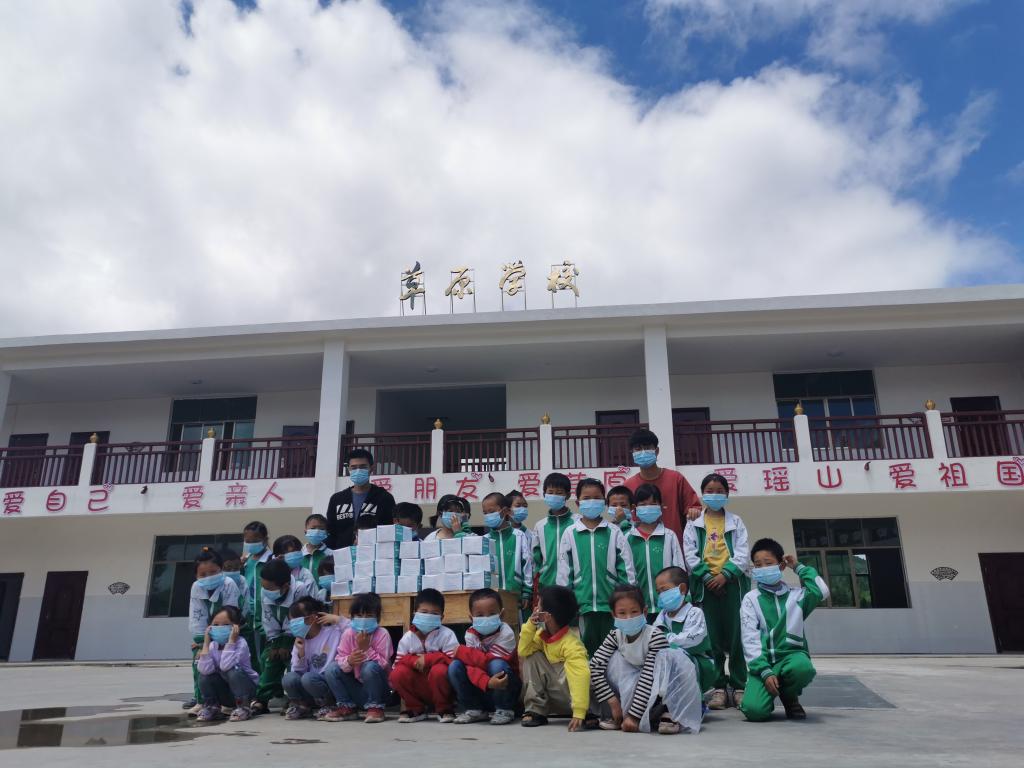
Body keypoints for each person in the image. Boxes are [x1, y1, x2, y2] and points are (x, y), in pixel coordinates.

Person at [589, 584, 703, 735]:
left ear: (644, 611)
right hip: (636, 687)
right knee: (611, 660)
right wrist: (613, 702)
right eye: (622, 613)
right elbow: (595, 667)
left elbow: (648, 677)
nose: (628, 618)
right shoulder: (615, 636)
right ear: (613, 615)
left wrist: (634, 717)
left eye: (634, 612)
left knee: (667, 661)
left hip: (658, 687)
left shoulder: (654, 636)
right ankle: (618, 714)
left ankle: (668, 712)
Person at [739, 539, 829, 722]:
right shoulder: (751, 599)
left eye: (768, 563)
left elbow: (821, 590)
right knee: (754, 711)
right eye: (758, 565)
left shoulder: (797, 596)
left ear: (781, 566)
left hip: (790, 658)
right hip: (764, 661)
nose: (763, 568)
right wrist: (764, 671)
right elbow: (749, 638)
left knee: (803, 668)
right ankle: (765, 695)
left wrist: (798, 567)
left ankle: (789, 696)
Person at [683, 473, 750, 710]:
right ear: (702, 494)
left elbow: (742, 552)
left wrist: (725, 575)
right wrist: (708, 576)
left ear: (727, 494)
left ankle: (739, 686)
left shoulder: (736, 522)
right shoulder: (693, 524)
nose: (714, 494)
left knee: (737, 637)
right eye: (709, 491)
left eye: (719, 491)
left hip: (733, 586)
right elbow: (690, 553)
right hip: (705, 588)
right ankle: (718, 687)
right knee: (711, 639)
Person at [556, 477, 635, 656]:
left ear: (604, 502)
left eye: (597, 498)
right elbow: (564, 572)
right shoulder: (570, 533)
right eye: (586, 498)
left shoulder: (614, 532)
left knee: (614, 652)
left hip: (611, 606)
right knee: (587, 652)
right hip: (583, 606)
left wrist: (627, 598)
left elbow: (626, 568)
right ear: (578, 503)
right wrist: (566, 604)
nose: (591, 502)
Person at [519, 585, 590, 730]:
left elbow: (580, 675)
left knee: (582, 669)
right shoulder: (541, 636)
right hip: (554, 698)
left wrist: (579, 711)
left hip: (572, 700)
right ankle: (536, 710)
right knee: (531, 657)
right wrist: (530, 625)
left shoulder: (572, 643)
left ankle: (588, 714)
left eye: (538, 606)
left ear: (546, 616)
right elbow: (523, 650)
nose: (535, 609)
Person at [447, 588, 521, 725]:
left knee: (497, 665)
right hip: (483, 687)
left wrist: (463, 652)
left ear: (502, 615)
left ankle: (504, 709)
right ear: (471, 618)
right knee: (455, 666)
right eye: (480, 615)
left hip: (505, 688)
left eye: (492, 614)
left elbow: (488, 661)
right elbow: (471, 665)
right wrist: (486, 682)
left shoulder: (506, 633)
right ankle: (474, 709)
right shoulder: (470, 634)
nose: (486, 618)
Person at [251, 557, 315, 714]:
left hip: (298, 635)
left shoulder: (299, 589)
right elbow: (267, 618)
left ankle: (297, 698)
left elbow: (298, 618)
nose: (265, 590)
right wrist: (274, 643)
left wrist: (286, 643)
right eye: (263, 586)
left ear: (285, 586)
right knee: (269, 658)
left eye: (269, 587)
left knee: (291, 660)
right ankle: (262, 698)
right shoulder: (265, 591)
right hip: (276, 636)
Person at [389, 588, 458, 722]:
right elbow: (397, 663)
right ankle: (415, 709)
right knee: (397, 673)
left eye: (434, 613)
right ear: (415, 614)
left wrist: (429, 658)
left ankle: (444, 709)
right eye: (424, 612)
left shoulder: (447, 635)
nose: (428, 616)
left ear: (442, 617)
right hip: (418, 685)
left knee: (440, 670)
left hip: (441, 686)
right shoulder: (408, 637)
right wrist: (414, 660)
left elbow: (453, 661)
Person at [325, 592, 395, 723]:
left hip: (380, 690)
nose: (363, 620)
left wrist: (366, 649)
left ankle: (376, 707)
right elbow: (340, 658)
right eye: (359, 615)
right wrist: (349, 661)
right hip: (358, 690)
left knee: (369, 667)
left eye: (369, 616)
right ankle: (347, 707)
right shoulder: (348, 634)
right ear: (352, 618)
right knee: (332, 669)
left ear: (377, 618)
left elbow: (383, 664)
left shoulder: (382, 634)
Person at [187, 547, 240, 715]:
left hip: (230, 631)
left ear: (221, 569)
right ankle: (202, 701)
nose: (208, 577)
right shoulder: (196, 587)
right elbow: (197, 616)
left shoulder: (228, 584)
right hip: (207, 634)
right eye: (202, 574)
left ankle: (231, 701)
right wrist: (201, 643)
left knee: (229, 665)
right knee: (199, 662)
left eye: (213, 572)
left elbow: (230, 614)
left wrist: (221, 638)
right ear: (196, 575)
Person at [623, 428, 702, 541]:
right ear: (632, 453)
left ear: (657, 451)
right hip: (640, 546)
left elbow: (694, 507)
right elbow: (623, 518)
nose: (643, 452)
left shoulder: (676, 479)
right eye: (638, 449)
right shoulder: (628, 486)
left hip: (674, 546)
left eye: (647, 447)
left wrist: (693, 511)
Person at [281, 596, 348, 720]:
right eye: (291, 621)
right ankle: (302, 706)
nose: (292, 624)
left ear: (312, 618)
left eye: (296, 620)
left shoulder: (333, 632)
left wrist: (338, 619)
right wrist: (301, 653)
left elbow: (354, 631)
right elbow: (297, 671)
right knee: (288, 678)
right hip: (310, 686)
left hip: (327, 684)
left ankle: (329, 705)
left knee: (308, 678)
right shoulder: (300, 639)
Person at [653, 566, 717, 697]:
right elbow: (652, 636)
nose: (661, 596)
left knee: (679, 658)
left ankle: (696, 700)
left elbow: (690, 639)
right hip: (669, 662)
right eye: (658, 592)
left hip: (697, 662)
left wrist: (664, 638)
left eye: (664, 590)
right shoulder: (662, 615)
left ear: (682, 589)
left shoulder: (694, 613)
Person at [625, 484, 685, 619]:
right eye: (643, 504)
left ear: (661, 506)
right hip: (639, 608)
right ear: (634, 508)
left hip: (668, 606)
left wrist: (682, 598)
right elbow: (626, 572)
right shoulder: (628, 538)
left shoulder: (669, 536)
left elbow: (679, 568)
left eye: (653, 504)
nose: (648, 508)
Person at [195, 605, 258, 722]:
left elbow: (226, 666)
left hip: (246, 691)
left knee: (233, 671)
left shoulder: (241, 643)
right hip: (227, 695)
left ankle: (244, 707)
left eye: (225, 625)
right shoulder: (213, 645)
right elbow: (204, 670)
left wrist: (231, 642)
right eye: (215, 625)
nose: (219, 628)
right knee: (204, 675)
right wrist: (206, 644)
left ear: (235, 627)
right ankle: (212, 707)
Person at [325, 448, 397, 548]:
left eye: (363, 467)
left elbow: (389, 530)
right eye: (354, 467)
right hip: (343, 555)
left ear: (371, 468)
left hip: (373, 554)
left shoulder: (384, 498)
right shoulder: (337, 499)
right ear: (349, 469)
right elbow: (331, 532)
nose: (358, 470)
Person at [482, 492, 533, 617]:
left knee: (516, 625)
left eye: (491, 511)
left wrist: (527, 591)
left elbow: (527, 564)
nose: (488, 516)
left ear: (505, 511)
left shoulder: (518, 536)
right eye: (485, 513)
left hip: (516, 595)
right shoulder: (484, 540)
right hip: (492, 598)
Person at [532, 472, 575, 592]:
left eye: (559, 493)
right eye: (550, 492)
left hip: (573, 586)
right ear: (544, 494)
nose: (554, 495)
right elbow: (536, 558)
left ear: (568, 495)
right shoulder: (540, 526)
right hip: (546, 585)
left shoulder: (577, 523)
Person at [239, 521, 273, 673]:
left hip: (264, 612)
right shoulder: (245, 562)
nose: (251, 544)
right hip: (247, 614)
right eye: (248, 541)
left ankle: (265, 683)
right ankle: (254, 681)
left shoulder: (271, 559)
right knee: (249, 653)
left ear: (265, 539)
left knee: (264, 653)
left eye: (255, 540)